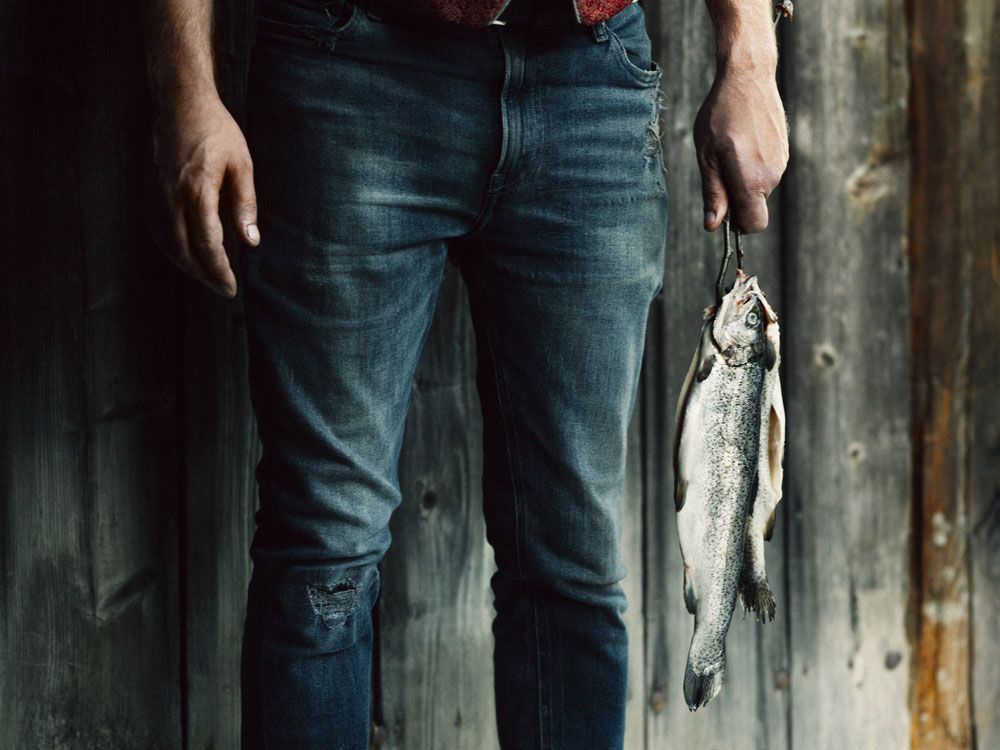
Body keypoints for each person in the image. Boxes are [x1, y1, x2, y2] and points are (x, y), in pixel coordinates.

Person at [145, 0, 787, 746]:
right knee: (326, 555)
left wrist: (750, 53)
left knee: (574, 560)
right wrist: (183, 88)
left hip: (592, 77)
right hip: (347, 61)